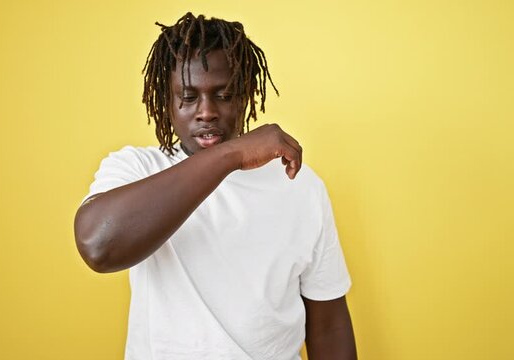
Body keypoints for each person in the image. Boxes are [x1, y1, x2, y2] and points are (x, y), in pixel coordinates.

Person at [74, 12, 357, 360]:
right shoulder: (138, 169)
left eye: (224, 95)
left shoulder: (299, 184)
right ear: (166, 99)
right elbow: (98, 246)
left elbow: (328, 324)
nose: (206, 112)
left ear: (247, 95)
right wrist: (231, 154)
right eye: (189, 97)